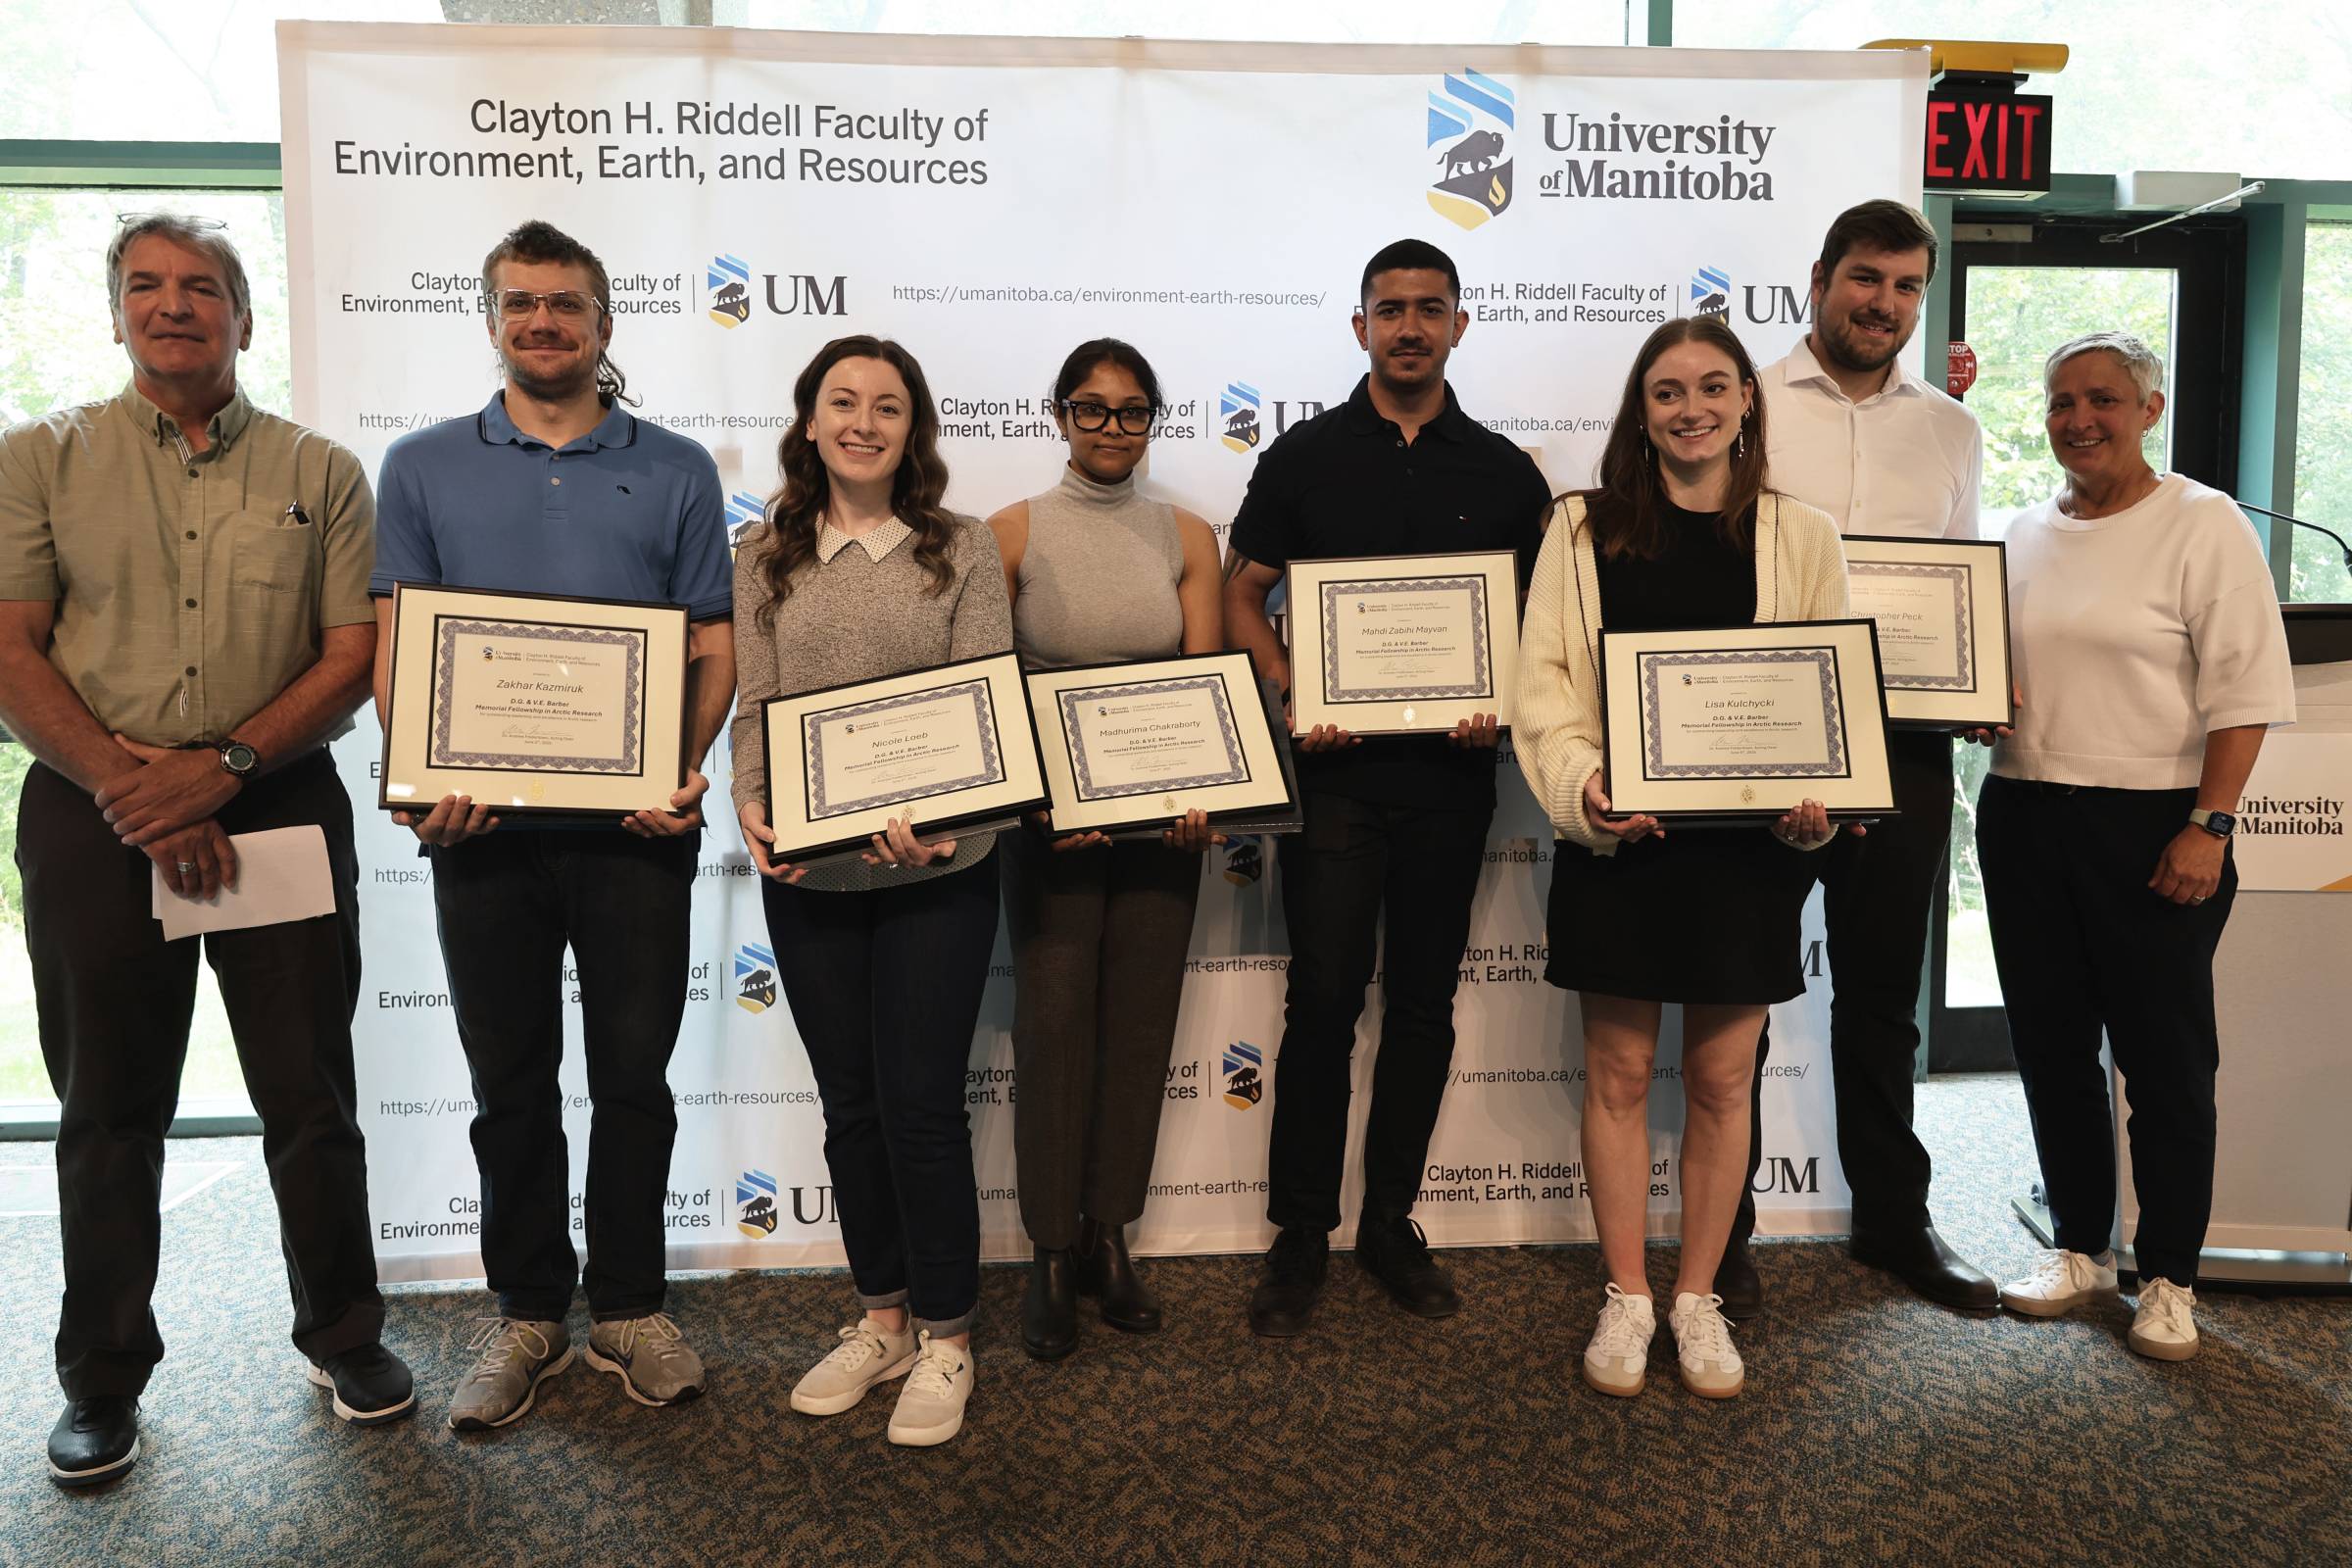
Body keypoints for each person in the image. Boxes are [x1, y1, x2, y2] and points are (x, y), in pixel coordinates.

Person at [0, 213, 409, 1488]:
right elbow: (10, 648)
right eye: (146, 288)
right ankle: (102, 1378)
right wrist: (139, 790)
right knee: (109, 1112)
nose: (172, 306)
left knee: (308, 1095)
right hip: (91, 807)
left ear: (244, 314)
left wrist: (217, 771)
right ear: (117, 312)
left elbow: (351, 661)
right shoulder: (35, 461)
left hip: (273, 796)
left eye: (200, 288)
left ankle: (344, 1334)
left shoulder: (322, 470)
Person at [368, 220, 735, 1429]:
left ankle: (629, 1305)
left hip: (637, 832)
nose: (543, 322)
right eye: (520, 303)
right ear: (490, 322)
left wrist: (677, 765)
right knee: (508, 1081)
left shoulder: (679, 466)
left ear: (604, 324)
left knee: (635, 1078)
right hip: (483, 834)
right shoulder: (421, 466)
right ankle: (529, 1310)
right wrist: (424, 779)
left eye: (566, 304)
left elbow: (713, 648)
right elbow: (397, 645)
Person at [1516, 315, 1850, 1399]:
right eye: (1668, 391)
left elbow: (1825, 701)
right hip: (1622, 843)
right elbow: (1547, 691)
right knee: (1615, 1074)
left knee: (1719, 1079)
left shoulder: (1803, 534)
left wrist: (1818, 802)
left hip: (1746, 859)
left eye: (1713, 387)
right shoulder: (1580, 528)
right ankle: (1626, 1294)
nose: (1692, 408)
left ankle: (1697, 1297)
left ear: (1747, 400)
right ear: (1640, 409)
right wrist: (1583, 789)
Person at [1223, 238, 1549, 1338]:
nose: (1410, 327)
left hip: (1453, 784)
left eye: (1430, 309)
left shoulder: (1506, 473)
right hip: (1335, 785)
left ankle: (1390, 1224)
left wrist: (1500, 695)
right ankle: (1302, 1232)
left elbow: (1543, 632)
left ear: (1462, 323)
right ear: (1357, 325)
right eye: (1390, 309)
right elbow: (1242, 591)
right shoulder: (1303, 456)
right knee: (1320, 1003)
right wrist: (1282, 684)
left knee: (1421, 1007)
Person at [1982, 331, 2292, 1360]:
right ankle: (2079, 1246)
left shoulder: (2204, 525)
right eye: (2063, 400)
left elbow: (2245, 693)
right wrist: (1983, 707)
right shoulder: (2022, 531)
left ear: (2149, 408)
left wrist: (2211, 824)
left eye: (2104, 400)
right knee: (2052, 1048)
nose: (2081, 419)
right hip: (2025, 810)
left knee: (2165, 1062)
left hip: (2158, 822)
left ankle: (2170, 1275)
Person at [732, 335, 1008, 1446]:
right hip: (812, 871)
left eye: (886, 406)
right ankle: (881, 1315)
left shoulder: (963, 548)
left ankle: (947, 1334)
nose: (862, 420)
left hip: (942, 865)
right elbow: (757, 705)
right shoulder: (763, 555)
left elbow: (985, 699)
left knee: (922, 1107)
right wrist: (752, 808)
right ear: (808, 421)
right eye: (840, 401)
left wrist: (941, 818)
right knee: (851, 1106)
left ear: (913, 428)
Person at [1726, 198, 1998, 1318]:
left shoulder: (1951, 428)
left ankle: (1893, 1220)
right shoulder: (1740, 407)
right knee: (1735, 985)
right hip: (1756, 740)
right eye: (1865, 279)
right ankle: (1721, 1227)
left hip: (1903, 750)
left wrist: (1981, 677)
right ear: (1820, 278)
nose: (1883, 304)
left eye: (1905, 288)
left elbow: (1963, 580)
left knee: (1885, 996)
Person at [986, 339, 1227, 1360]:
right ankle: (1047, 1248)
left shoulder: (1188, 534)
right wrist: (1042, 802)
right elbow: (992, 692)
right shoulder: (1007, 533)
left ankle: (1107, 1236)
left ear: (1153, 420)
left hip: (1163, 828)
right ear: (1059, 416)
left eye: (1132, 412)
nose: (1111, 429)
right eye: (1092, 409)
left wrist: (1205, 793)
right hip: (1051, 829)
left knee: (1138, 1030)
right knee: (1052, 1031)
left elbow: (1207, 680)